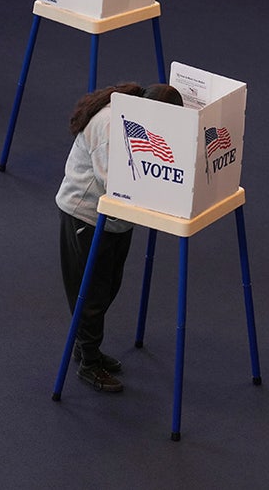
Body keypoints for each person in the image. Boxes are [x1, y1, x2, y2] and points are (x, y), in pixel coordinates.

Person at [56, 82, 183, 393]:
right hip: (85, 215)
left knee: (109, 286)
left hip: (116, 221)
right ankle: (88, 363)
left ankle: (85, 348)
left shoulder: (137, 117)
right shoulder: (111, 124)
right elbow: (114, 180)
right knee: (92, 294)